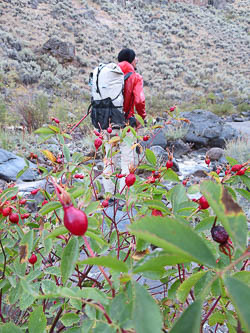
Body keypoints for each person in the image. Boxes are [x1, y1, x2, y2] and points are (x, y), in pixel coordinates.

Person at [102, 48, 146, 197]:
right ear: (132, 60)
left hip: (107, 124)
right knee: (127, 161)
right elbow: (139, 100)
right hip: (126, 124)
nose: (137, 60)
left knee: (109, 159)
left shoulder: (107, 76)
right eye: (136, 58)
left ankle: (109, 196)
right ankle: (123, 198)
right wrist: (142, 118)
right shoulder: (135, 76)